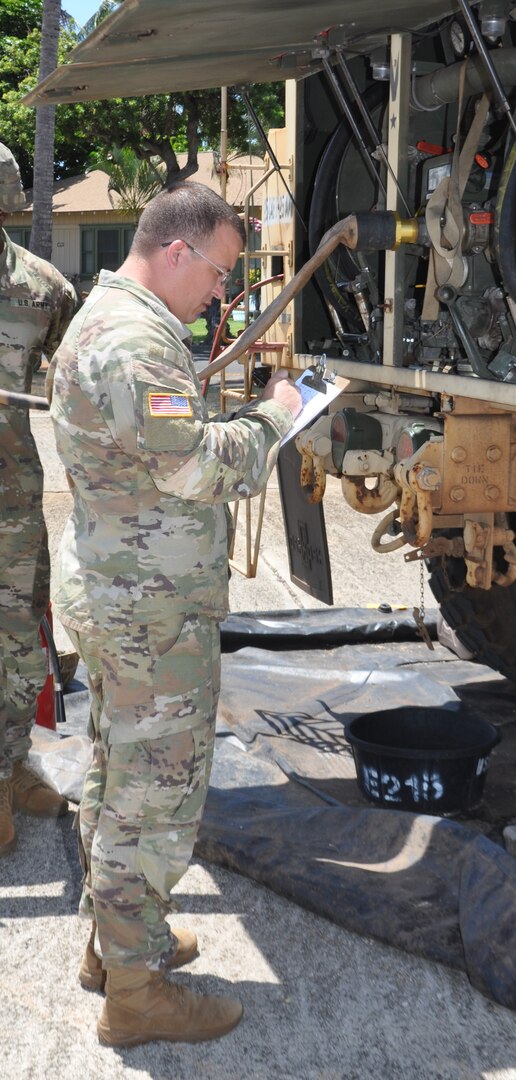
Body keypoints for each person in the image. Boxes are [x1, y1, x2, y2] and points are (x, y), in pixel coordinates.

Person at [47, 181, 302, 1047]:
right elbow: (189, 468)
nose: (222, 295)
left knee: (117, 779)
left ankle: (115, 945)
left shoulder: (109, 319)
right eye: (222, 274)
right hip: (149, 612)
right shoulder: (136, 338)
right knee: (151, 801)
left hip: (122, 596)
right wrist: (276, 417)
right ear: (178, 251)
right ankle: (137, 994)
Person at [0, 142, 77, 855]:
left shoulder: (43, 288)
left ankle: (13, 762)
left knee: (21, 635)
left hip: (13, 500)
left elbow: (72, 378)